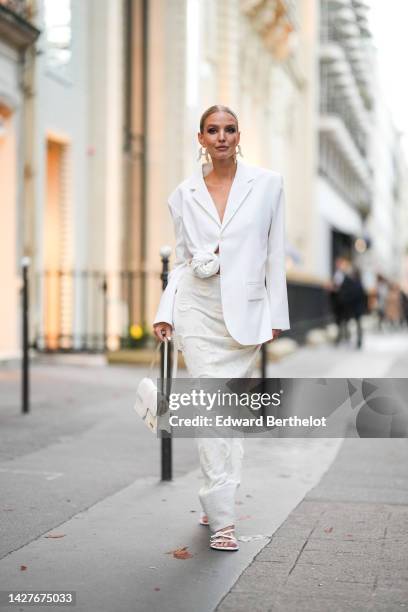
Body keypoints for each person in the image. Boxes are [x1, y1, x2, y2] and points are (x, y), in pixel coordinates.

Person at [152, 104, 290, 551]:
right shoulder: (183, 194)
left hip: (244, 315)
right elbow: (181, 258)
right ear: (201, 139)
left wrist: (276, 316)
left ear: (239, 135)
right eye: (213, 130)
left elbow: (274, 253)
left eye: (229, 129)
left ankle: (216, 498)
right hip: (197, 307)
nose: (222, 137)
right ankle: (225, 520)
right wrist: (165, 310)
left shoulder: (268, 185)